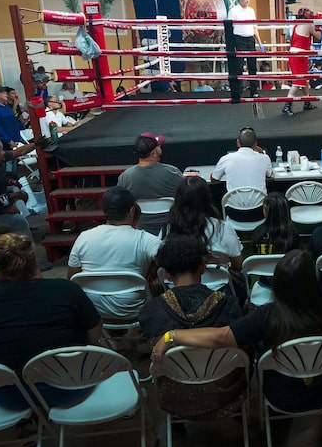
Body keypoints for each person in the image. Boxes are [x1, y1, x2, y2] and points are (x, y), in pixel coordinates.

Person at [151, 250, 322, 414]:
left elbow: (221, 337)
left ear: (278, 284)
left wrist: (172, 335)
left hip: (282, 397)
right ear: (314, 281)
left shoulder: (267, 316)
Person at [0, 232, 102, 410]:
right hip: (69, 386)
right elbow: (94, 336)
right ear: (34, 263)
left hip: (9, 396)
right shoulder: (67, 290)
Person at [138, 236, 245, 420]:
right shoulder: (229, 305)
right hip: (225, 392)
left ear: (167, 274)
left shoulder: (151, 312)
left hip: (175, 395)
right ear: (202, 268)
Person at [68, 186, 163, 317]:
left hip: (92, 309)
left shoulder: (83, 237)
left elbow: (71, 279)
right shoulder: (145, 240)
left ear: (104, 212)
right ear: (131, 211)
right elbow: (171, 266)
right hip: (132, 307)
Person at [163, 176, 245, 299]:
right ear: (207, 199)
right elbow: (238, 265)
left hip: (178, 292)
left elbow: (162, 260)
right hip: (219, 290)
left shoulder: (169, 228)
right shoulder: (223, 228)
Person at [117, 132, 183, 235]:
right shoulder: (173, 173)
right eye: (159, 146)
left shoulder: (125, 177)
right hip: (172, 228)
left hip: (139, 230)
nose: (161, 147)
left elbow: (121, 205)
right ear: (153, 153)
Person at [282, 8, 321, 117]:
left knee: (305, 80)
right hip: (299, 55)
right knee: (298, 82)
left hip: (296, 54)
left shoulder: (296, 25)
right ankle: (287, 105)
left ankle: (307, 102)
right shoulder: (308, 25)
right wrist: (319, 26)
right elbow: (318, 37)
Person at [227, 0, 264, 102]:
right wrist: (231, 45)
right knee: (239, 67)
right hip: (238, 39)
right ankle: (239, 93)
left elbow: (255, 27)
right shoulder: (233, 11)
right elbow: (229, 29)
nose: (247, 0)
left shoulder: (251, 11)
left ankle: (254, 92)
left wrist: (260, 42)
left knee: (252, 66)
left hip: (250, 39)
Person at [210, 126, 272, 192]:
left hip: (234, 202)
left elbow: (214, 179)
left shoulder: (226, 159)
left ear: (238, 143)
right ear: (255, 144)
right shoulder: (265, 158)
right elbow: (269, 175)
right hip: (258, 202)